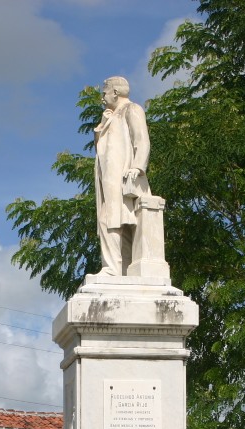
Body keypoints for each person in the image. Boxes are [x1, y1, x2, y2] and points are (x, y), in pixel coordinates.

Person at [93, 75, 151, 277]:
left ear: (115, 92)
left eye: (104, 93)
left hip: (124, 176)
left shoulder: (131, 109)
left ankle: (113, 269)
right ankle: (119, 268)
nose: (102, 98)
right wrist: (102, 126)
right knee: (112, 219)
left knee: (114, 219)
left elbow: (141, 140)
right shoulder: (110, 115)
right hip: (108, 177)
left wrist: (137, 167)